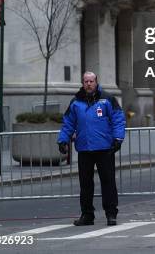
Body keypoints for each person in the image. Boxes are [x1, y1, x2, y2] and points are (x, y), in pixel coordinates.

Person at [57, 71, 125, 227]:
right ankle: (87, 215)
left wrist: (118, 138)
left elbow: (118, 119)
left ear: (96, 82)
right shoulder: (75, 102)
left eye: (91, 81)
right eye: (86, 81)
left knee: (108, 182)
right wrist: (62, 140)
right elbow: (68, 123)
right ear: (82, 83)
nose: (88, 84)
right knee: (85, 185)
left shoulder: (107, 99)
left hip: (105, 148)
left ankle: (111, 214)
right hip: (84, 149)